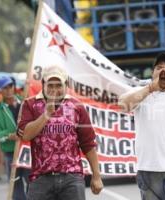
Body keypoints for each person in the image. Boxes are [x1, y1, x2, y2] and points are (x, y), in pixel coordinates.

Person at [17, 65, 103, 200]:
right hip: (41, 179)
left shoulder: (77, 106)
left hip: (72, 178)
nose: (54, 90)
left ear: (66, 85)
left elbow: (88, 143)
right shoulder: (30, 104)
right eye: (50, 85)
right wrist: (47, 114)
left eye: (58, 85)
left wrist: (96, 176)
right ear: (43, 85)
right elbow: (26, 135)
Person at [119, 53, 165, 200]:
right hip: (148, 168)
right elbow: (123, 105)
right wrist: (150, 88)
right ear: (152, 73)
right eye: (159, 68)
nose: (163, 71)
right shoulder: (140, 92)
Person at [0, 75, 29, 200]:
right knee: (15, 184)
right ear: (0, 91)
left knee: (33, 181)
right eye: (5, 87)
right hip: (10, 153)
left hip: (27, 150)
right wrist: (9, 136)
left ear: (14, 87)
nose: (9, 89)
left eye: (10, 86)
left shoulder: (25, 102)